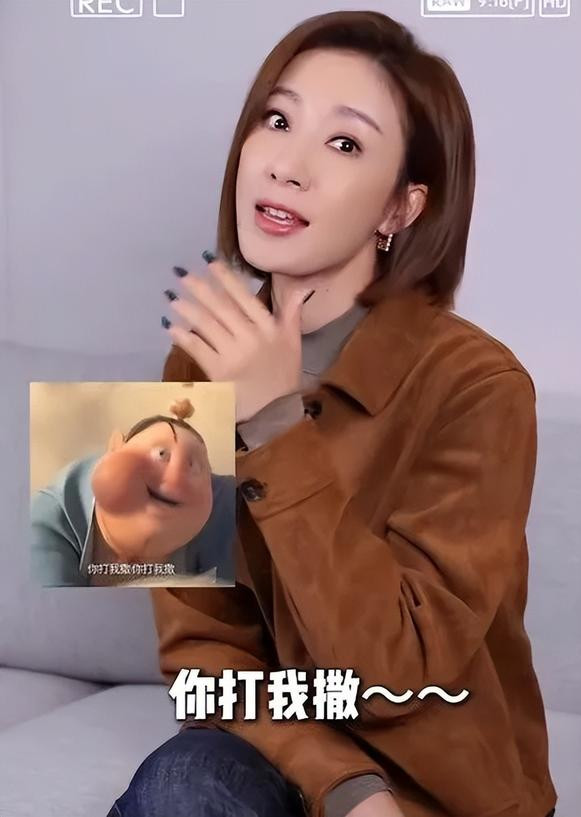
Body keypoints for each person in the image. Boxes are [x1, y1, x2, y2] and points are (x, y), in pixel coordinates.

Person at [110, 9, 557, 817]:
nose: (288, 165)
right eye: (277, 121)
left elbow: (398, 669)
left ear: (400, 209)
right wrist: (343, 784)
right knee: (179, 786)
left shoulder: (482, 385)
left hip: (438, 788)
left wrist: (275, 424)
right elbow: (198, 652)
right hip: (278, 761)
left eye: (345, 143)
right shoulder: (191, 362)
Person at [31, 406, 236, 587]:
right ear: (114, 449)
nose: (176, 477)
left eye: (195, 466)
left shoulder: (222, 508)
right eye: (161, 454)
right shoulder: (47, 523)